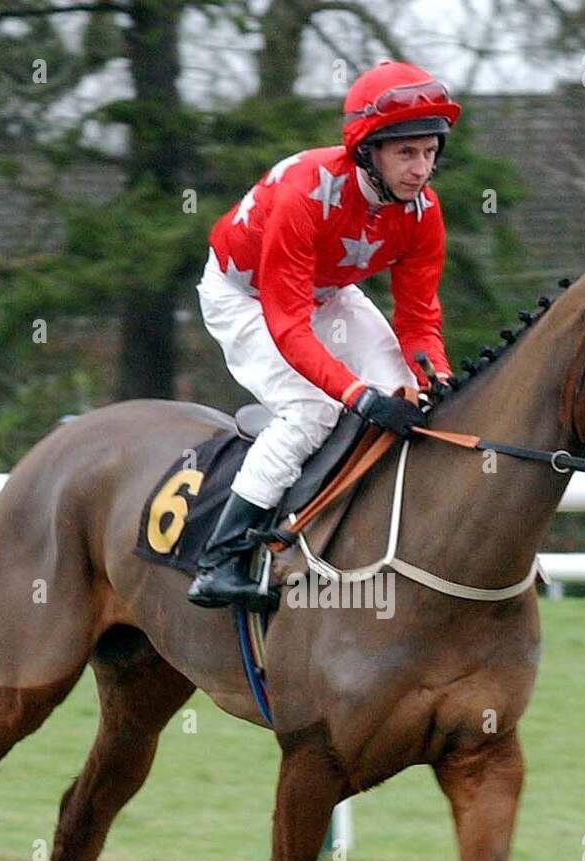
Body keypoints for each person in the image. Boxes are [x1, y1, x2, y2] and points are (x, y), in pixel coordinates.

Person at [187, 60, 460, 610]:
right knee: (313, 409)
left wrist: (439, 375)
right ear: (369, 150)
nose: (420, 170)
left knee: (413, 394)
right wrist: (357, 394)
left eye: (429, 152)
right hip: (245, 296)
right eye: (406, 153)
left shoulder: (423, 213)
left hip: (324, 294)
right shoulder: (305, 195)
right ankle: (219, 560)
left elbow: (418, 321)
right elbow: (287, 326)